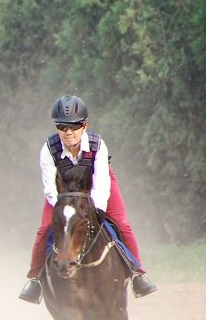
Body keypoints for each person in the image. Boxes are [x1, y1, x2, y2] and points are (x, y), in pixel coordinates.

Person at [19, 95, 158, 304]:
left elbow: (101, 182)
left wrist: (95, 210)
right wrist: (64, 209)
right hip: (63, 194)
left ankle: (138, 273)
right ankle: (34, 280)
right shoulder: (48, 149)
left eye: (74, 126)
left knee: (122, 224)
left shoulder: (98, 145)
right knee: (45, 228)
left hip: (96, 189)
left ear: (84, 126)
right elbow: (50, 187)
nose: (68, 132)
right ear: (57, 128)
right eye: (63, 126)